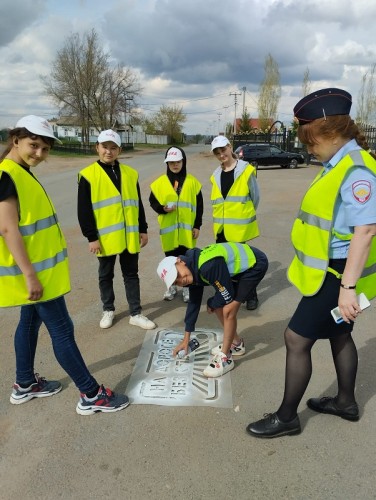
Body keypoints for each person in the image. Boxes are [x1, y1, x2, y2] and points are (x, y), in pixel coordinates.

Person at [247, 88, 376, 438]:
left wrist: (347, 289)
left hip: (336, 274)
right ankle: (346, 401)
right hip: (332, 270)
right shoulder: (341, 163)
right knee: (339, 334)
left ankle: (287, 417)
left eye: (311, 141)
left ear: (332, 134)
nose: (308, 149)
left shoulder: (357, 170)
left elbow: (366, 231)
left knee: (295, 339)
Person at [0, 115, 129, 415]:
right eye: (34, 145)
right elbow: (7, 229)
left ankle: (24, 383)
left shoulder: (19, 171)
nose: (39, 154)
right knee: (62, 330)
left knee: (29, 324)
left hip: (40, 273)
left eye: (45, 149)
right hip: (35, 274)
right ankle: (91, 394)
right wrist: (30, 276)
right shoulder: (7, 174)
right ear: (15, 139)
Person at [77, 129, 156, 330]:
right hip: (105, 238)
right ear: (97, 147)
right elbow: (84, 210)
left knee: (131, 274)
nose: (108, 152)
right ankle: (108, 309)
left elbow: (137, 203)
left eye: (113, 148)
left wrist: (143, 228)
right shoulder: (88, 176)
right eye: (104, 147)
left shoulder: (130, 174)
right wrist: (91, 237)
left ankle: (136, 313)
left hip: (130, 236)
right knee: (106, 275)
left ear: (119, 149)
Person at [157, 242, 268, 377]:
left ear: (180, 262)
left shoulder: (207, 266)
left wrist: (212, 302)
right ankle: (236, 344)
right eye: (175, 282)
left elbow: (227, 295)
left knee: (228, 309)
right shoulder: (192, 268)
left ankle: (225, 358)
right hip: (241, 267)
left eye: (178, 275)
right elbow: (194, 303)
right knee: (219, 305)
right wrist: (186, 339)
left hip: (255, 265)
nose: (181, 281)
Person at [210, 135, 261, 313]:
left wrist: (243, 215)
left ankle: (251, 296)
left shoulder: (246, 170)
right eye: (217, 153)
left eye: (223, 150)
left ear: (230, 147)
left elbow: (255, 198)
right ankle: (229, 296)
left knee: (243, 264)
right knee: (224, 265)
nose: (221, 155)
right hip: (221, 229)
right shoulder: (215, 175)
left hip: (239, 228)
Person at [149, 146, 203, 302]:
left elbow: (199, 206)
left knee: (187, 261)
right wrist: (162, 209)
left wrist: (197, 225)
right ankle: (171, 287)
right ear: (167, 163)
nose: (174, 165)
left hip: (187, 232)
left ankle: (187, 289)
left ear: (183, 161)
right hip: (169, 232)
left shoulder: (193, 182)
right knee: (170, 260)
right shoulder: (159, 183)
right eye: (171, 162)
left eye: (178, 161)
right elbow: (152, 201)